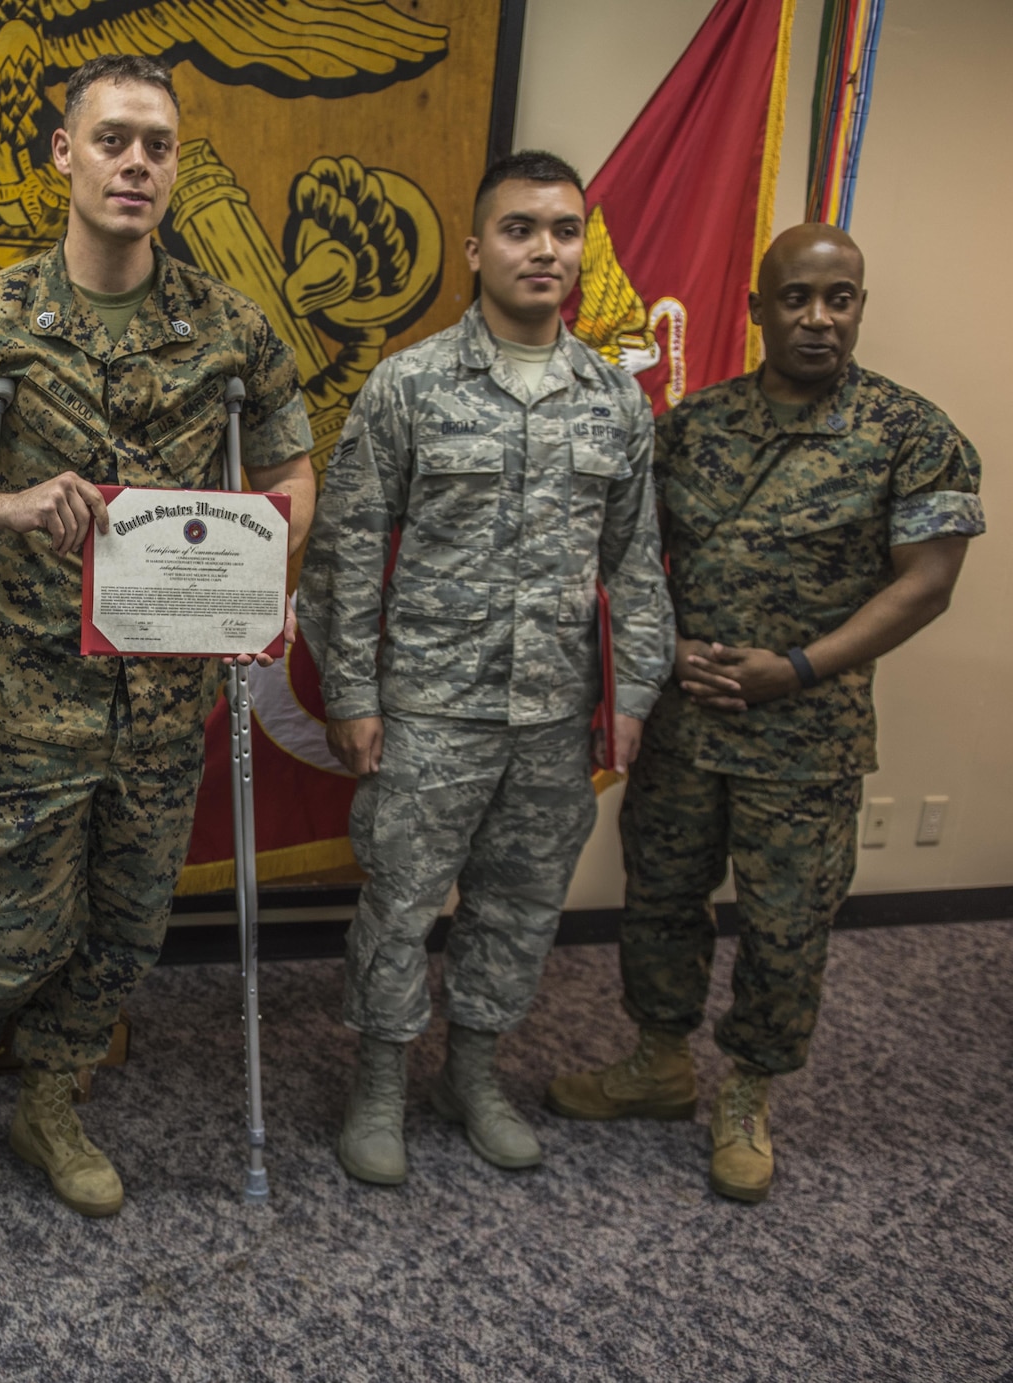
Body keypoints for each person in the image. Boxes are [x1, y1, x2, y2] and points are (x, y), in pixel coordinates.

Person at [0, 55, 315, 1219]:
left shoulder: (228, 330)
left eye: (157, 146)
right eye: (112, 140)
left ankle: (51, 1101)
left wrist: (254, 584)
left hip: (169, 697)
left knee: (126, 928)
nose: (135, 163)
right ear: (61, 155)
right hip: (26, 688)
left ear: (176, 166)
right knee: (12, 932)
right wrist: (9, 506)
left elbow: (285, 471)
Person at [547, 225, 982, 1202]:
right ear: (755, 309)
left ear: (859, 307)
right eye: (794, 298)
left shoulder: (911, 435)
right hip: (684, 726)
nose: (817, 318)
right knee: (659, 899)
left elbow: (925, 584)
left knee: (786, 926)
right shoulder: (690, 428)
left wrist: (795, 668)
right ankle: (656, 1062)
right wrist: (656, 653)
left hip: (803, 740)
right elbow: (625, 558)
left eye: (839, 298)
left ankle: (745, 1092)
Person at [298, 150, 674, 1187]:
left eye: (561, 229)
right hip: (429, 709)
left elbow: (634, 566)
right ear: (475, 248)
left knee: (518, 907)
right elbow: (343, 550)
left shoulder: (612, 400)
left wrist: (630, 698)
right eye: (518, 228)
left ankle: (472, 1074)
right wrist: (352, 694)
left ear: (581, 247)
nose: (541, 248)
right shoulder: (408, 384)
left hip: (556, 714)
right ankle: (376, 1084)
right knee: (401, 902)